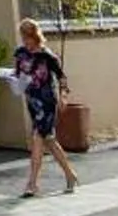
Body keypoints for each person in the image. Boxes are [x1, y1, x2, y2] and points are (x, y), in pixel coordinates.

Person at [14, 19, 78, 198]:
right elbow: (18, 74)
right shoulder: (20, 53)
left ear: (36, 36)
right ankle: (70, 174)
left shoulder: (46, 55)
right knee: (49, 141)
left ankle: (32, 184)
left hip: (47, 101)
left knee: (37, 138)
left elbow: (62, 77)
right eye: (24, 37)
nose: (26, 41)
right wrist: (14, 80)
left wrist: (64, 97)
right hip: (32, 102)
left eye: (29, 37)